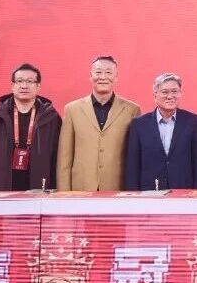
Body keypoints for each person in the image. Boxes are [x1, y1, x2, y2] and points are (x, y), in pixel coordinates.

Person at [0, 64, 62, 191]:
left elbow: (58, 160)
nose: (24, 86)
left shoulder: (51, 118)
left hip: (39, 191)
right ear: (12, 86)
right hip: (0, 191)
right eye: (19, 81)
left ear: (38, 86)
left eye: (30, 81)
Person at [56, 56, 140, 191]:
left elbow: (135, 157)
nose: (103, 77)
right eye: (98, 72)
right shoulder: (72, 109)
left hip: (118, 188)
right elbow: (64, 159)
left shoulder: (132, 110)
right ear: (91, 76)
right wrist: (64, 193)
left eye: (108, 72)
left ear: (116, 77)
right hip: (81, 188)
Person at [125, 73, 197, 190]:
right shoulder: (139, 124)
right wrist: (133, 195)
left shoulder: (192, 121)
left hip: (183, 190)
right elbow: (133, 164)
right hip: (150, 191)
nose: (170, 96)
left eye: (174, 91)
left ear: (180, 93)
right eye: (164, 92)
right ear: (155, 95)